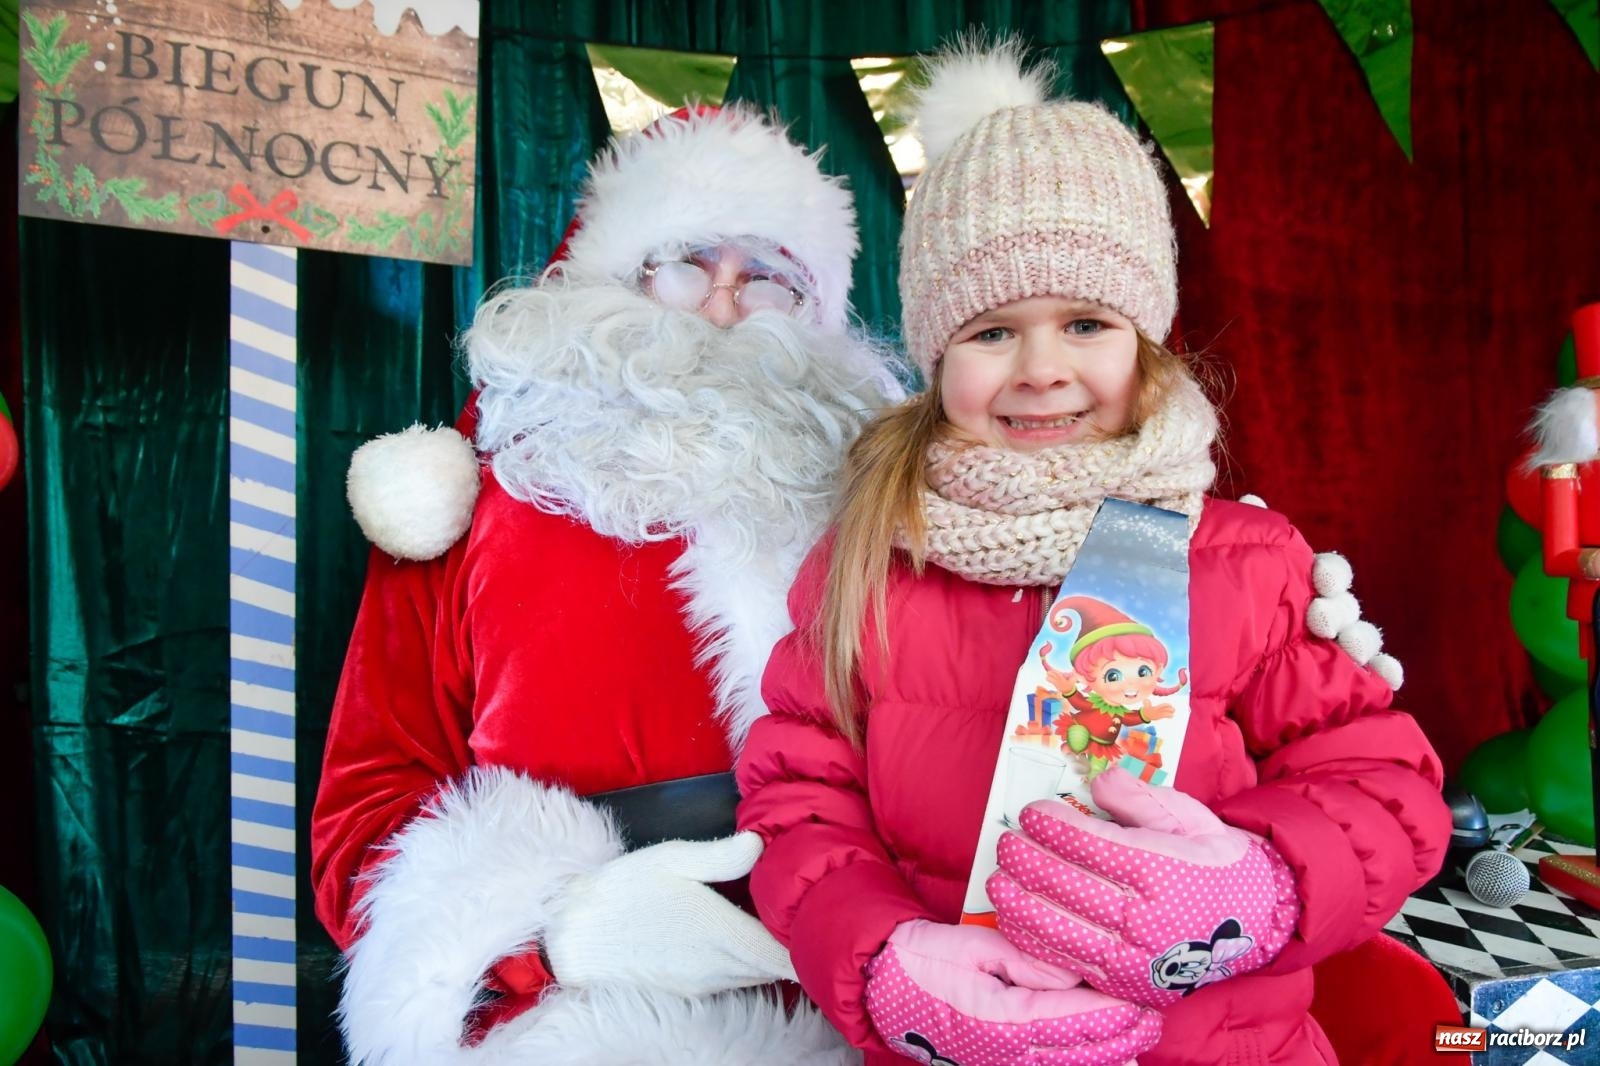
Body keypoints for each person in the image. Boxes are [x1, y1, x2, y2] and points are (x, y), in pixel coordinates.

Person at [735, 41, 1451, 1066]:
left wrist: (1267, 880)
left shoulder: (1245, 560)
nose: (1041, 371)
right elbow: (798, 802)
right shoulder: (867, 565)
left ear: (1144, 339)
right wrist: (883, 960)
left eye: (1083, 322)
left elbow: (1379, 784)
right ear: (936, 356)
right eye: (990, 331)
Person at [310, 106, 901, 1064]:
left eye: (766, 281)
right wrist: (557, 939)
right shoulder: (464, 499)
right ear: (605, 273)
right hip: (561, 1030)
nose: (718, 307)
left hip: (842, 1008)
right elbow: (365, 812)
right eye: (684, 264)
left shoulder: (880, 509)